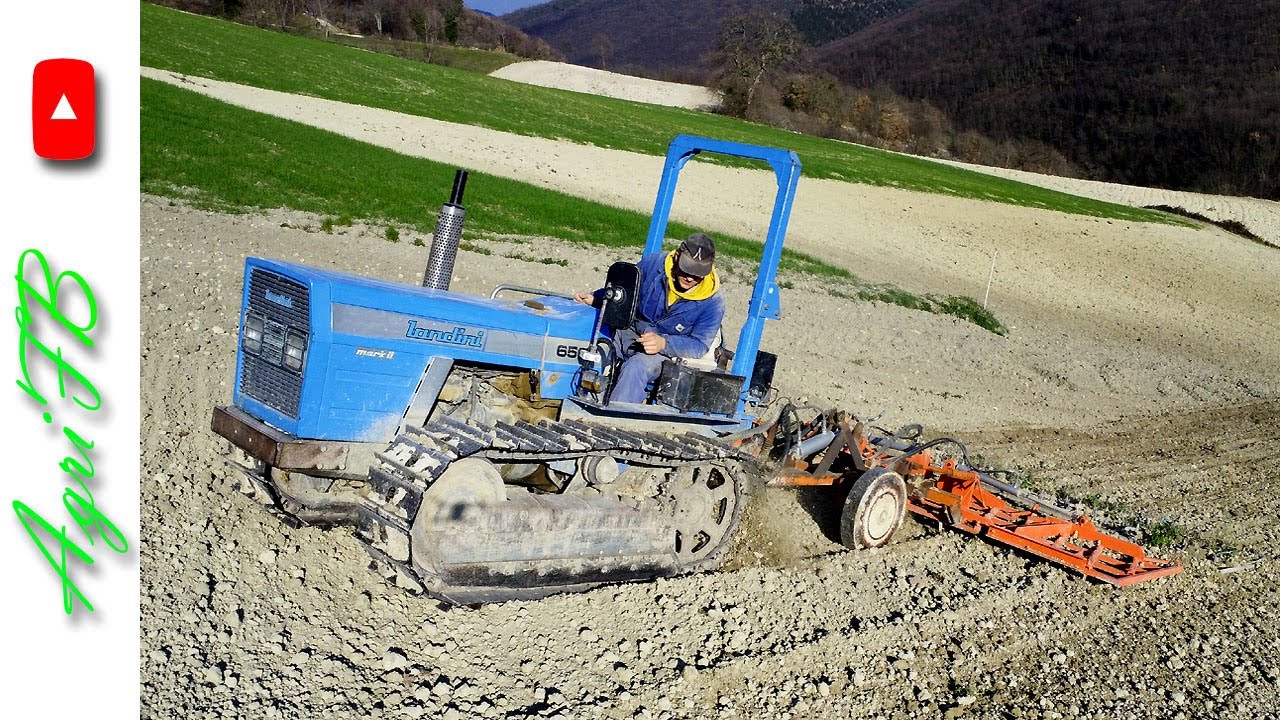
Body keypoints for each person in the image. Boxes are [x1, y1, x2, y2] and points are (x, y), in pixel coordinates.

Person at [574, 233, 725, 404]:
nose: (690, 277)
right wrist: (597, 298)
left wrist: (664, 343)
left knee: (637, 366)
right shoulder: (653, 265)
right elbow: (624, 293)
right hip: (628, 331)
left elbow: (699, 345)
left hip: (666, 354)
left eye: (697, 274)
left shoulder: (713, 302)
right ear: (676, 257)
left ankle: (614, 419)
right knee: (589, 341)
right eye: (686, 269)